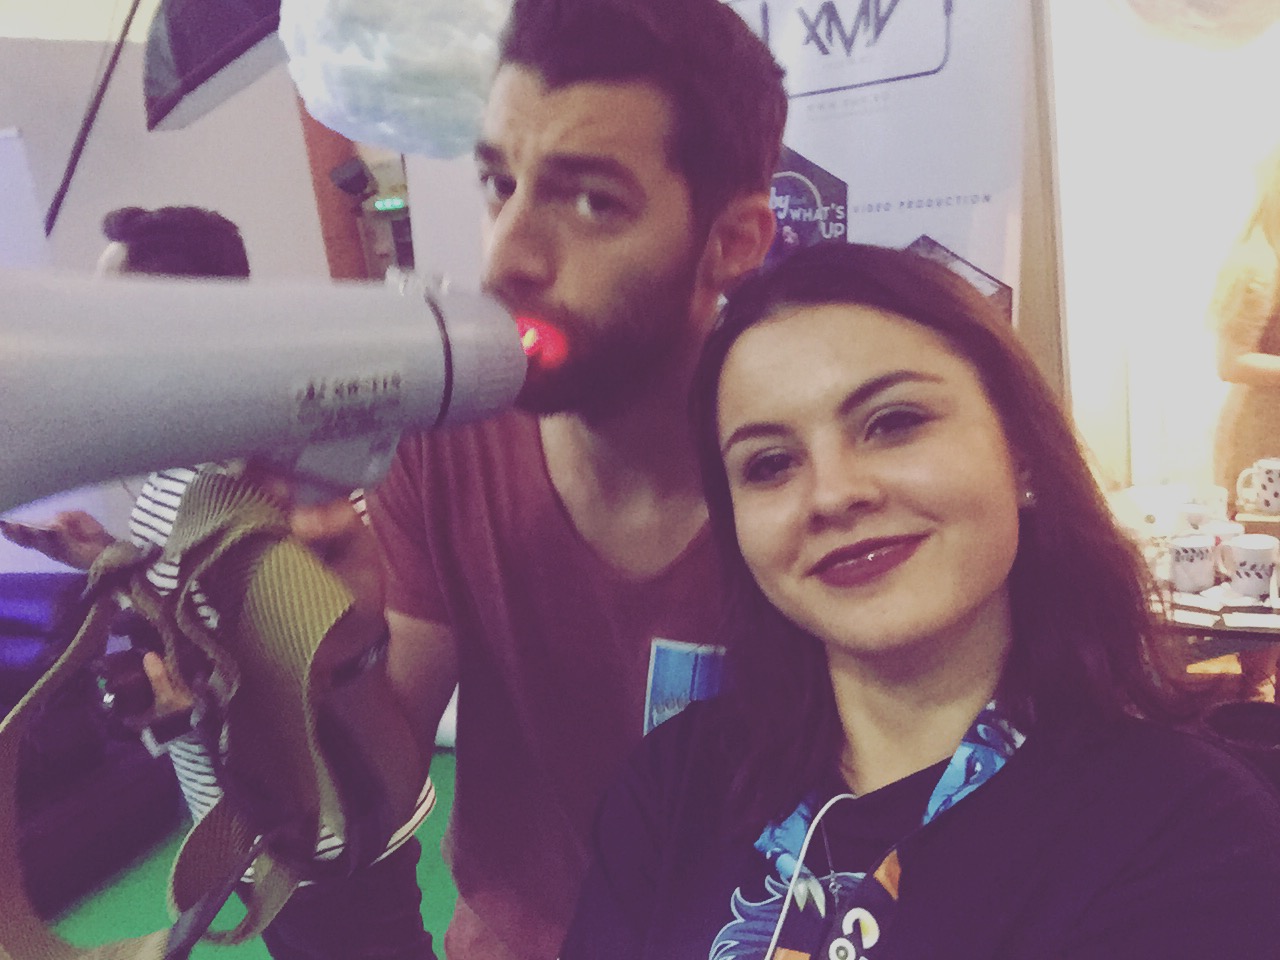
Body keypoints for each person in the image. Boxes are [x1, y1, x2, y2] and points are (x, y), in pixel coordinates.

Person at [560, 241, 1280, 959]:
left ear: (1022, 453)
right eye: (770, 463)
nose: (833, 494)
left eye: (893, 423)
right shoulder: (675, 789)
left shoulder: (1187, 834)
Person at [1, 205, 439, 958]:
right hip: (254, 832)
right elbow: (191, 609)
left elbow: (330, 672)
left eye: (115, 315)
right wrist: (105, 555)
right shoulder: (177, 467)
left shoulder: (289, 480)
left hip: (331, 834)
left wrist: (196, 704)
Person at [1212, 146, 1280, 703]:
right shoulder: (1257, 266)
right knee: (1262, 559)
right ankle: (1256, 691)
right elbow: (1230, 362)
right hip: (1262, 440)